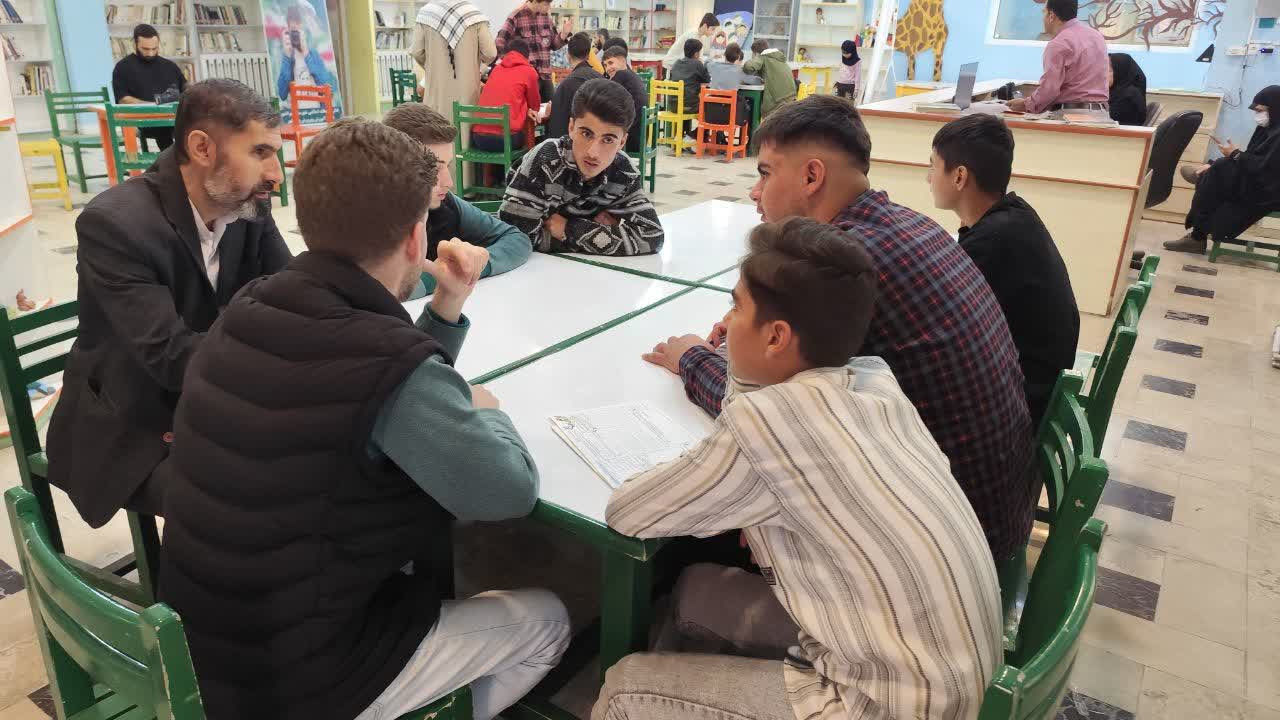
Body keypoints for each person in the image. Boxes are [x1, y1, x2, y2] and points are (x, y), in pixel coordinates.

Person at [157, 118, 569, 720]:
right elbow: (507, 492)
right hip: (296, 680)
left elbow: (371, 390)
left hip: (202, 645)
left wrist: (446, 306)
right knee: (549, 623)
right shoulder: (386, 361)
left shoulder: (252, 304)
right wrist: (487, 413)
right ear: (415, 237)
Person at [596, 218, 1002, 720]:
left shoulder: (766, 428)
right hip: (951, 675)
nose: (727, 320)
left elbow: (627, 512)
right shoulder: (874, 384)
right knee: (694, 588)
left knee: (624, 687)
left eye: (736, 307)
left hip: (887, 706)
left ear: (776, 337)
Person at [643, 97, 1034, 564]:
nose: (754, 192)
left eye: (766, 173)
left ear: (812, 176)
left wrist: (691, 358)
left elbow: (768, 418)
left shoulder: (841, 267)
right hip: (989, 511)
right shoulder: (911, 225)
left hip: (935, 544)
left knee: (694, 533)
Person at [45, 79, 290, 527]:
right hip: (136, 423)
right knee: (250, 500)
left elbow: (294, 295)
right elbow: (170, 358)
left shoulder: (246, 205)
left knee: (322, 457)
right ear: (202, 148)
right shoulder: (115, 225)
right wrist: (278, 343)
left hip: (215, 398)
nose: (276, 174)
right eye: (260, 152)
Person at [928, 114, 1079, 425]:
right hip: (1040, 379)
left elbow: (940, 326)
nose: (928, 178)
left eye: (932, 166)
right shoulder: (1014, 214)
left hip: (1022, 401)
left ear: (959, 177)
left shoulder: (992, 242)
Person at [382, 102, 532, 295]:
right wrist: (438, 276)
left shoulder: (446, 204)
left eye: (448, 165)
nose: (449, 182)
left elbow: (518, 240)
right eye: (433, 168)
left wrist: (472, 266)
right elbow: (381, 292)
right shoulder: (368, 218)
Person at [501, 78, 663, 255]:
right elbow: (515, 238)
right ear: (571, 127)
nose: (593, 153)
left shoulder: (623, 172)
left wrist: (569, 230)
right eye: (586, 134)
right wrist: (600, 234)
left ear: (622, 142)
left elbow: (652, 237)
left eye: (608, 140)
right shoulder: (545, 160)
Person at [1165, 86, 1280, 255]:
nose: (1257, 115)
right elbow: (1253, 158)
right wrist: (1230, 157)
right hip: (1258, 179)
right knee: (1218, 169)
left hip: (1270, 191)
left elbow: (1265, 169)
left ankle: (1197, 237)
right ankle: (1197, 235)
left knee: (1217, 172)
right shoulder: (1267, 129)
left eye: (1260, 110)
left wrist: (1234, 154)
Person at [1006, 0, 1108, 115]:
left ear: (1051, 15)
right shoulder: (1097, 36)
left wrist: (1025, 105)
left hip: (1071, 115)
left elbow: (1050, 89)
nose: (1042, 18)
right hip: (1101, 114)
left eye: (1044, 13)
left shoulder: (1059, 43)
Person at [411, 0, 496, 127]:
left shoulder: (425, 13)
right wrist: (476, 67)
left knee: (438, 130)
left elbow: (416, 52)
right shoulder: (474, 14)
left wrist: (432, 67)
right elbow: (490, 53)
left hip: (437, 87)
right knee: (465, 128)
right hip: (467, 88)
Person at [111, 23, 186, 150]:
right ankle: (173, 159)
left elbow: (185, 89)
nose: (150, 53)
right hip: (142, 120)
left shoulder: (169, 66)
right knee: (164, 129)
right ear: (135, 44)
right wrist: (153, 105)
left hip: (173, 118)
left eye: (154, 48)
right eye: (145, 49)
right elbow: (123, 100)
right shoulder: (122, 68)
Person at [495, 0, 574, 104]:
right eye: (546, 4)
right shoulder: (516, 16)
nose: (549, 7)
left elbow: (553, 45)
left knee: (551, 109)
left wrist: (563, 34)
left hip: (545, 75)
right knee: (529, 110)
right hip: (526, 76)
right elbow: (499, 42)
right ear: (535, 2)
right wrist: (511, 63)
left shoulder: (546, 18)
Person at [472, 37, 541, 153]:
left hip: (479, 138)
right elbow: (535, 106)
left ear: (506, 54)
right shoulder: (529, 71)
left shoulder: (496, 69)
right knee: (531, 138)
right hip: (506, 140)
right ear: (526, 56)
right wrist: (527, 108)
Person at [548, 32, 602, 139]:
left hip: (575, 142)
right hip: (600, 139)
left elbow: (557, 127)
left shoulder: (566, 85)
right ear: (588, 55)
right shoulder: (601, 79)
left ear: (568, 55)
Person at [276, 3, 335, 103]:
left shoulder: (313, 54)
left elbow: (326, 89)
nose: (295, 36)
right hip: (297, 110)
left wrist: (306, 53)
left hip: (317, 109)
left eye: (297, 32)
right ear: (288, 31)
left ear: (303, 30)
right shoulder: (287, 58)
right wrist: (287, 56)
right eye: (293, 32)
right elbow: (282, 94)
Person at [706, 43, 761, 140]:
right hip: (730, 117)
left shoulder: (714, 66)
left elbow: (706, 63)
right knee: (745, 105)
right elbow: (755, 81)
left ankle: (719, 136)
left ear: (724, 55)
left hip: (711, 115)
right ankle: (746, 141)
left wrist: (713, 57)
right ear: (738, 57)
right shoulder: (739, 71)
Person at [602, 44, 648, 153]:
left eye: (611, 63)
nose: (607, 68)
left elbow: (604, 99)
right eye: (605, 65)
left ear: (623, 61)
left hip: (628, 140)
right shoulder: (632, 75)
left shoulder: (621, 75)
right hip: (639, 139)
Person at [669, 38, 710, 142]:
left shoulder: (676, 63)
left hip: (673, 105)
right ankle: (692, 136)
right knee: (710, 111)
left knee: (687, 97)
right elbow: (707, 79)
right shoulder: (697, 64)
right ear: (696, 54)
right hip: (688, 106)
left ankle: (680, 135)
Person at [743, 39, 796, 118]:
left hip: (778, 101)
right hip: (791, 97)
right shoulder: (778, 58)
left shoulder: (763, 57)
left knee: (764, 118)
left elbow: (748, 66)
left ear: (756, 53)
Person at [1107, 52, 1147, 126]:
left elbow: (1104, 118)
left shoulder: (1129, 97)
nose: (1101, 74)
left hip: (1121, 132)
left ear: (1120, 72)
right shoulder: (1116, 92)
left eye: (1107, 70)